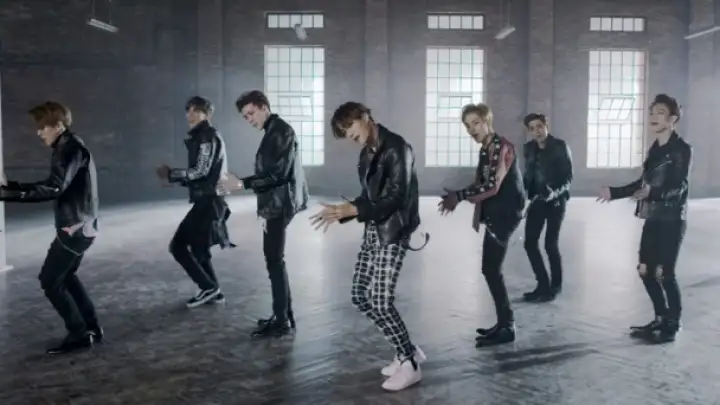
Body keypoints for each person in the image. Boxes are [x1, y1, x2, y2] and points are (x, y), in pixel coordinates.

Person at [309, 102, 427, 392]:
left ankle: (410, 365)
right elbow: (368, 197)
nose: (349, 135)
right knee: (360, 295)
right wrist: (344, 211)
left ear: (365, 117)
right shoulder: (366, 153)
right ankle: (406, 349)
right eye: (344, 132)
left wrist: (354, 210)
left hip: (394, 231)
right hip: (374, 229)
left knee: (381, 301)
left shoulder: (398, 148)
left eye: (350, 126)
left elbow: (396, 197)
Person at [0, 101, 101, 355]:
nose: (39, 132)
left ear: (58, 125)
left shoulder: (70, 149)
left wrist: (8, 193)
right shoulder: (68, 146)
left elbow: (55, 188)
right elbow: (53, 183)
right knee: (66, 276)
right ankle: (91, 327)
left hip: (75, 228)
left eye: (43, 127)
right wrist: (11, 187)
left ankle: (79, 334)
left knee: (50, 280)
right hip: (82, 226)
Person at [597, 94, 691, 344]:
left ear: (673, 119)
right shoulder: (655, 149)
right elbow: (643, 183)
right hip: (653, 216)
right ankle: (660, 318)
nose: (653, 117)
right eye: (652, 112)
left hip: (672, 218)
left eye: (660, 112)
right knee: (645, 270)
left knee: (664, 273)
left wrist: (654, 193)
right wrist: (614, 193)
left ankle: (673, 323)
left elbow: (680, 186)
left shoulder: (682, 149)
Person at [219, 90, 308, 338]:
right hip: (275, 203)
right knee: (275, 260)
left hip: (279, 205)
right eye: (245, 117)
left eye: (251, 113)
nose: (249, 120)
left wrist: (242, 184)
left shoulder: (280, 132)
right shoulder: (274, 131)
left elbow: (277, 175)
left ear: (264, 107)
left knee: (274, 260)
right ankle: (283, 315)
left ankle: (282, 320)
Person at [439, 103, 526, 347]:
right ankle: (504, 323)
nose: (472, 130)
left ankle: (507, 326)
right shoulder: (486, 149)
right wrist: (458, 195)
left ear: (487, 121)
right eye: (467, 126)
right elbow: (482, 183)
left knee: (491, 269)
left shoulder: (501, 146)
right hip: (497, 214)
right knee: (490, 269)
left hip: (505, 215)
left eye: (476, 123)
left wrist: (459, 196)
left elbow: (491, 185)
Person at [156, 96, 233, 308]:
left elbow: (200, 171)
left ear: (206, 114)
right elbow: (201, 174)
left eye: (196, 111)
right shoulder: (203, 136)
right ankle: (214, 291)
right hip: (209, 199)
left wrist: (172, 175)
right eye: (188, 110)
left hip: (209, 201)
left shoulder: (207, 137)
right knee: (199, 249)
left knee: (178, 246)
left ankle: (208, 287)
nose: (190, 114)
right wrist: (176, 179)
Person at [521, 113, 573, 302]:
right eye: (532, 128)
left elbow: (568, 178)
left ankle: (555, 286)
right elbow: (528, 175)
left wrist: (554, 193)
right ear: (529, 131)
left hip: (556, 201)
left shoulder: (560, 146)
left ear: (546, 126)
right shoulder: (528, 148)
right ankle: (542, 285)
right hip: (537, 200)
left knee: (550, 244)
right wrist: (522, 196)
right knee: (529, 243)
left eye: (540, 126)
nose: (537, 131)